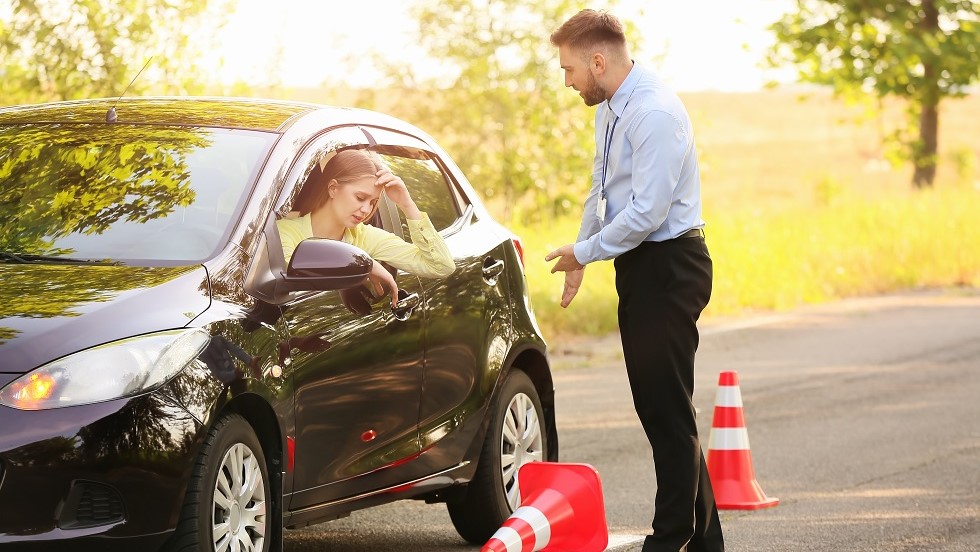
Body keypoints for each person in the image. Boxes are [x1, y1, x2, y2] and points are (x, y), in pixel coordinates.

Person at [545, 10, 724, 552]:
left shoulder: (653, 112)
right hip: (641, 267)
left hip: (671, 265)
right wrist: (582, 252)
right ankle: (706, 542)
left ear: (598, 61)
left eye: (570, 68)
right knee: (663, 409)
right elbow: (600, 189)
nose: (567, 80)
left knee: (666, 412)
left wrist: (585, 251)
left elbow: (647, 213)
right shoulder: (611, 108)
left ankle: (668, 539)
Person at [277, 149, 455, 306]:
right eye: (360, 198)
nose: (366, 210)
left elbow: (441, 267)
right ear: (333, 188)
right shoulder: (284, 231)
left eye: (373, 202)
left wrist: (407, 204)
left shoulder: (365, 236)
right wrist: (366, 265)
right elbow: (287, 279)